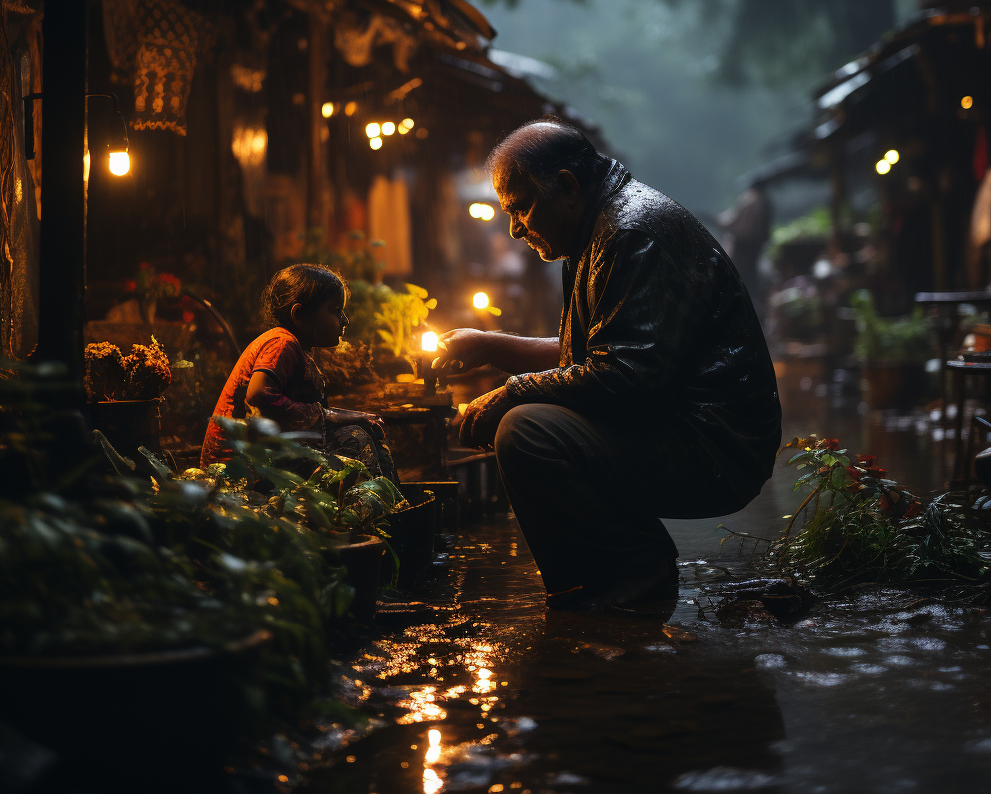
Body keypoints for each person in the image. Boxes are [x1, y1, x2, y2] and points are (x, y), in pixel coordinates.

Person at [436, 121, 781, 611]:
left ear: (568, 186)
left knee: (527, 430)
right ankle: (608, 576)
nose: (515, 229)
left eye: (521, 209)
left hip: (718, 448)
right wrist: (491, 346)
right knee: (531, 415)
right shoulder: (598, 227)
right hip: (683, 427)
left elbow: (624, 377)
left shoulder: (630, 232)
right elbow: (593, 353)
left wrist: (513, 391)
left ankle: (632, 573)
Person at [201, 264, 398, 482]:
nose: (345, 320)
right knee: (355, 439)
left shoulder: (300, 346)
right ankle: (381, 511)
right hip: (237, 467)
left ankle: (389, 506)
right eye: (335, 310)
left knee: (364, 431)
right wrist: (334, 417)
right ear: (299, 314)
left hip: (263, 455)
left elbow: (312, 411)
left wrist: (356, 416)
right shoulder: (282, 342)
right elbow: (258, 394)